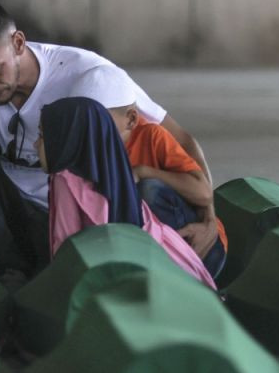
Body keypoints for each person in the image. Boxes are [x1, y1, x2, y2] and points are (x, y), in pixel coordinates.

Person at [0, 0, 217, 279]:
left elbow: (182, 139)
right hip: (7, 215)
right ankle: (7, 269)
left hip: (77, 215)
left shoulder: (90, 77)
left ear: (18, 43)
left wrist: (209, 219)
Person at [36, 96, 216, 289]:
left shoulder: (64, 179)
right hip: (177, 264)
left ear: (64, 138)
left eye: (42, 135)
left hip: (147, 276)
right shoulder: (113, 165)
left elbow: (66, 253)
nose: (35, 144)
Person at [75, 64, 227, 277]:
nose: (92, 132)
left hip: (200, 249)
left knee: (148, 190)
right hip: (142, 250)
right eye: (86, 123)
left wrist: (146, 172)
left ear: (131, 119)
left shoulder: (152, 137)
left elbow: (204, 193)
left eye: (101, 123)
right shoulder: (90, 149)